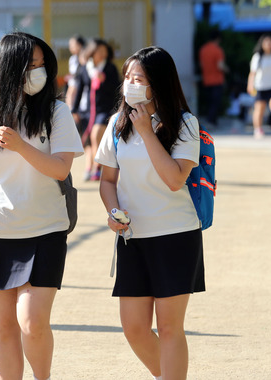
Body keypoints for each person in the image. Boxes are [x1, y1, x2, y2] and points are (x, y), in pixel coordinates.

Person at [0, 32, 84, 380]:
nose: (39, 73)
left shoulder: (56, 111)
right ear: (10, 68)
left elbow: (60, 167)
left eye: (43, 65)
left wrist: (19, 146)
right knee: (5, 326)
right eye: (31, 66)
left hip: (47, 228)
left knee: (32, 321)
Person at [95, 46, 205, 380]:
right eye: (127, 77)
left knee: (170, 328)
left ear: (157, 83)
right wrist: (113, 210)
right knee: (133, 328)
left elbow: (175, 179)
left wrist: (146, 130)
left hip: (174, 236)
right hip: (133, 238)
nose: (129, 84)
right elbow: (107, 180)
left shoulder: (185, 124)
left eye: (138, 78)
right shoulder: (116, 123)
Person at [71, 38, 120, 181]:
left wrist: (104, 81)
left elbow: (117, 88)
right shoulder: (85, 68)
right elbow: (80, 89)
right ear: (91, 52)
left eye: (104, 51)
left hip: (105, 109)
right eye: (99, 51)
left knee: (96, 135)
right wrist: (74, 109)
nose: (102, 54)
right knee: (89, 142)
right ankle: (90, 168)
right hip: (87, 110)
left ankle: (97, 167)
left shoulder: (110, 68)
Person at [247, 34, 271, 139]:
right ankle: (258, 129)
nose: (268, 44)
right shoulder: (257, 57)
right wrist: (250, 85)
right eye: (266, 42)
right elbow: (252, 73)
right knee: (259, 109)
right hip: (260, 87)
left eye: (270, 42)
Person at [199, 30, 228, 127]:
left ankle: (210, 120)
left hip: (206, 79)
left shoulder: (203, 49)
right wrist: (227, 70)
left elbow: (201, 65)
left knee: (209, 101)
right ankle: (212, 121)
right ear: (218, 38)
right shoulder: (217, 50)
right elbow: (220, 65)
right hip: (217, 79)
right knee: (215, 102)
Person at [65, 34, 85, 108]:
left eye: (73, 45)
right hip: (73, 84)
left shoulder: (85, 58)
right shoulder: (72, 59)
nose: (71, 47)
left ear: (80, 45)